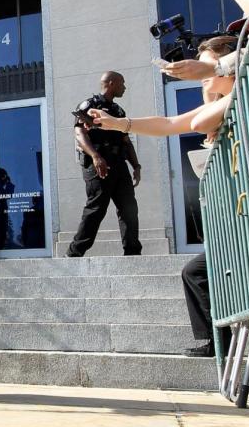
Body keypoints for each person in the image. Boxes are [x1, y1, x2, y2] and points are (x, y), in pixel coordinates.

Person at [89, 37, 236, 357]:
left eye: (210, 68)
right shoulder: (226, 99)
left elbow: (197, 122)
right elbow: (169, 123)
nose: (204, 77)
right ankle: (219, 342)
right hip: (243, 218)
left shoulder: (247, 91)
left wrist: (209, 79)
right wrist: (118, 124)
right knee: (197, 272)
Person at [65, 71, 142, 258]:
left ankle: (132, 253)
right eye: (122, 83)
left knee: (129, 208)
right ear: (111, 83)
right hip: (98, 164)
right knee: (96, 208)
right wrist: (95, 156)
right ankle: (74, 253)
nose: (125, 87)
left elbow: (126, 140)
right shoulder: (89, 105)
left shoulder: (118, 111)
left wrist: (136, 165)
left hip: (118, 164)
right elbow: (79, 134)